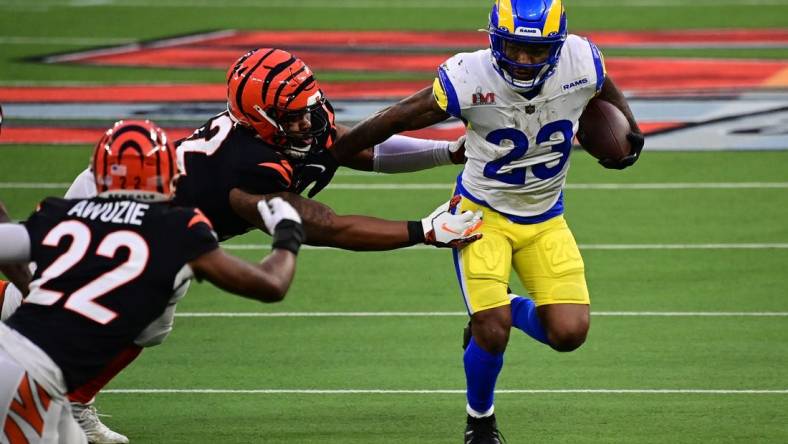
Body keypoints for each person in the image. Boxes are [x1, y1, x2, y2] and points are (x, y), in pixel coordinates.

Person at [0, 49, 483, 443]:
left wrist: (445, 151)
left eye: (307, 109)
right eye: (293, 118)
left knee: (148, 323)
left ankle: (75, 395)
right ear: (261, 119)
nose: (308, 123)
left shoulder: (270, 130)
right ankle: (68, 393)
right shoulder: (246, 170)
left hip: (162, 219)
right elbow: (327, 227)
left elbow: (347, 144)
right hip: (120, 201)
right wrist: (422, 230)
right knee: (60, 302)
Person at [301, 1, 645, 442]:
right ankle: (479, 420)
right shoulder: (468, 77)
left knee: (569, 333)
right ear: (494, 40)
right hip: (479, 214)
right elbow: (399, 116)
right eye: (514, 47)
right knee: (492, 330)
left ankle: (504, 311)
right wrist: (335, 157)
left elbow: (604, 90)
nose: (522, 60)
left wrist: (629, 135)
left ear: (557, 48)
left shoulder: (582, 60)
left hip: (545, 216)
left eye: (535, 51)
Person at [0, 120, 308, 443]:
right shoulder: (176, 228)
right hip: (34, 382)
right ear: (167, 174)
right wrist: (288, 234)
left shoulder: (58, 213)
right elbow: (271, 284)